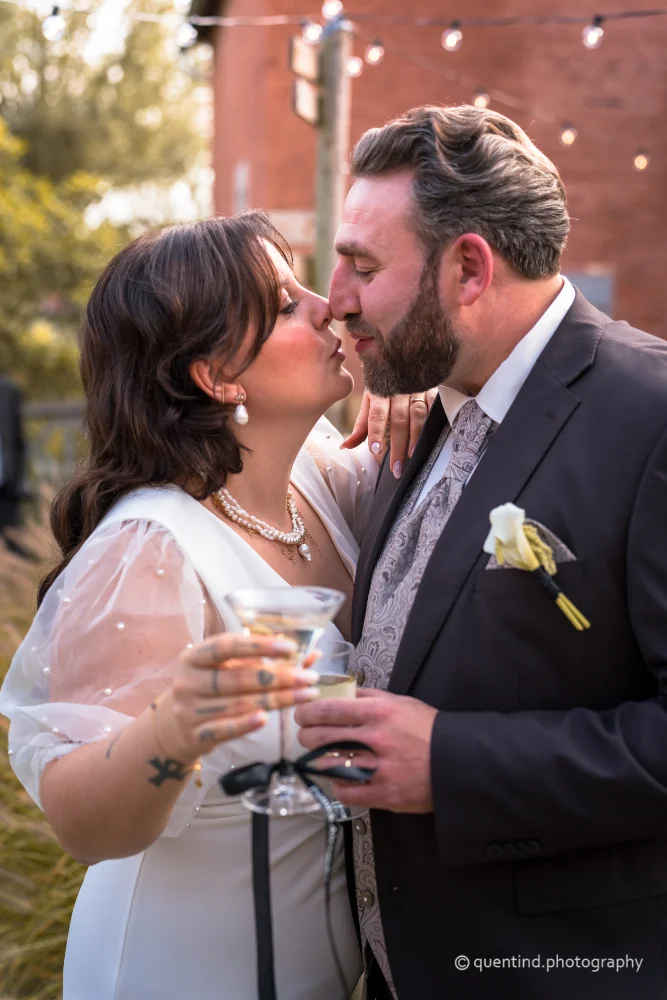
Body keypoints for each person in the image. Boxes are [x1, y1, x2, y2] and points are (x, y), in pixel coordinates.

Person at [0, 212, 432, 1000]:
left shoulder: (323, 487)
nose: (326, 305)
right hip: (180, 970)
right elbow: (81, 825)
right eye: (282, 301)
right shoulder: (149, 548)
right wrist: (174, 728)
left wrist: (423, 393)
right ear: (216, 376)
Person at [296, 104, 667, 1000]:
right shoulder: (419, 410)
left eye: (361, 267)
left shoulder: (650, 417)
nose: (335, 300)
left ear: (468, 266)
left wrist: (456, 763)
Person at [0, 373, 26, 550]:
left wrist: (19, 479)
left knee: (14, 547)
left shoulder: (8, 391)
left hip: (6, 484)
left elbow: (19, 441)